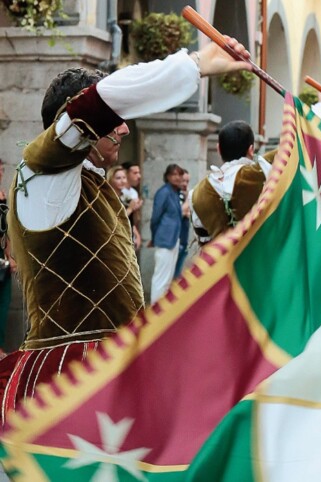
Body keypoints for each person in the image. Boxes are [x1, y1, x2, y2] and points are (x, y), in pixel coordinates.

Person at [0, 35, 252, 420]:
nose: (124, 131)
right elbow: (98, 103)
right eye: (113, 122)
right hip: (68, 383)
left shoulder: (84, 181)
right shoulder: (43, 172)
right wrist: (196, 63)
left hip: (108, 372)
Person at [190, 121, 270, 244]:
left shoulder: (196, 193)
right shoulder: (264, 175)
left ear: (218, 149)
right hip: (262, 259)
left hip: (219, 261)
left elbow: (203, 237)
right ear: (251, 149)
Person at [150, 164, 184, 302]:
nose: (177, 177)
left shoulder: (175, 192)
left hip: (174, 239)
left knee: (168, 278)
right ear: (167, 176)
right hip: (164, 239)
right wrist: (154, 236)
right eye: (174, 174)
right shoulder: (163, 192)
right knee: (161, 277)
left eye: (179, 174)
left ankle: (161, 310)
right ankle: (154, 307)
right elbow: (155, 217)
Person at [0, 160, 17, 358]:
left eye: (2, 170)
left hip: (2, 258)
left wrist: (10, 255)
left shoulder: (3, 195)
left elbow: (7, 229)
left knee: (4, 303)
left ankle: (1, 346)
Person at [108, 166, 142, 250]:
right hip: (116, 240)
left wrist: (135, 209)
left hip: (128, 237)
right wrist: (130, 209)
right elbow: (115, 220)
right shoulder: (109, 199)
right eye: (118, 178)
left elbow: (131, 221)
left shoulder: (126, 197)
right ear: (111, 180)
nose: (122, 181)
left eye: (124, 178)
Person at [175, 169, 191, 278]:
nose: (185, 184)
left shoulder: (184, 195)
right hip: (175, 240)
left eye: (187, 181)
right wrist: (187, 201)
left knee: (177, 275)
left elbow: (188, 213)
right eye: (183, 181)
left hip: (184, 239)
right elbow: (179, 213)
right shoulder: (174, 195)